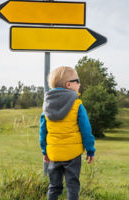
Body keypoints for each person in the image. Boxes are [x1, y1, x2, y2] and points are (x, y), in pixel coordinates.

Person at [39, 66, 96, 200]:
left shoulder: (46, 106)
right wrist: (90, 150)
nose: (79, 84)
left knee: (54, 186)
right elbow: (86, 130)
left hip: (54, 154)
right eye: (77, 81)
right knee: (72, 185)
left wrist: (44, 151)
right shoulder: (77, 105)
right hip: (73, 153)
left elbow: (43, 131)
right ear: (69, 85)